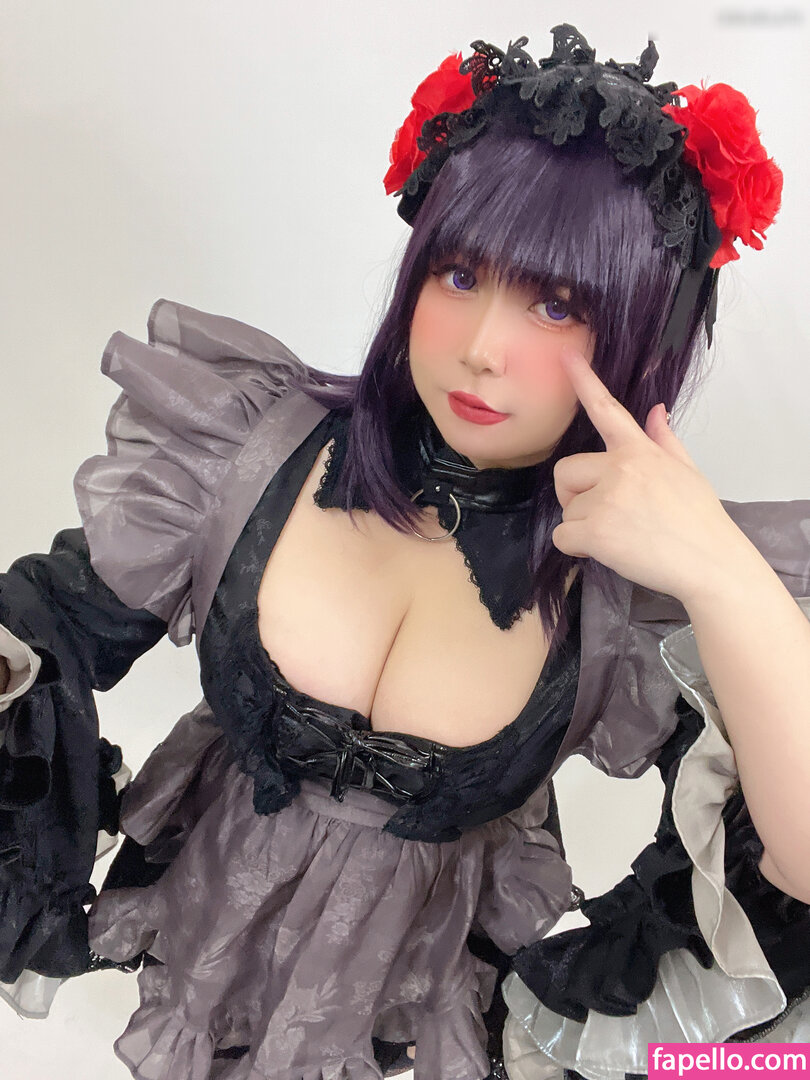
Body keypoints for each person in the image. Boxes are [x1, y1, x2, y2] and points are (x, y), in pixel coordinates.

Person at [0, 22, 808, 1080]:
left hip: (415, 1026)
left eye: (557, 304)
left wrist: (721, 571)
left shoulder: (627, 599)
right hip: (197, 954)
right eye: (459, 275)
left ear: (647, 332)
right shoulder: (246, 451)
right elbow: (50, 627)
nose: (481, 348)